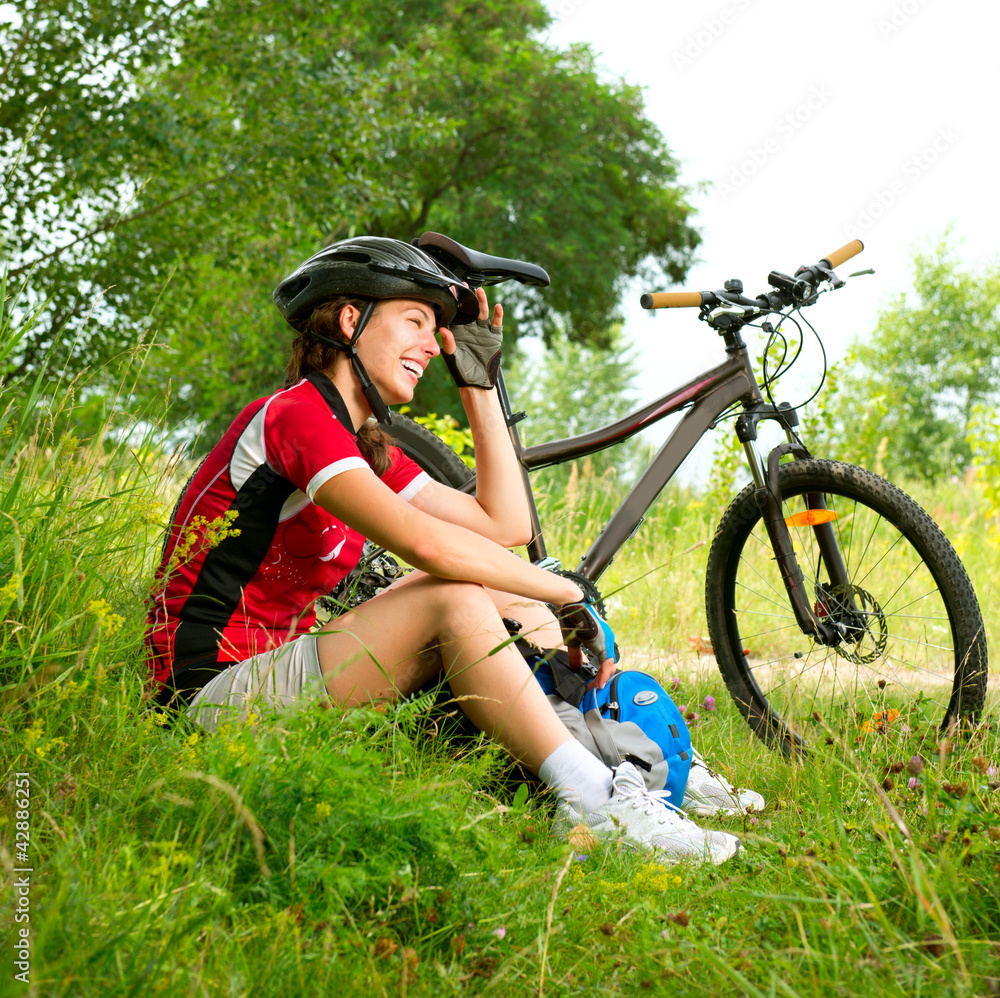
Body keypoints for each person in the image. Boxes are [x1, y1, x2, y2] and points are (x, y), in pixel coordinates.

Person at [146, 236, 761, 865]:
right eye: (414, 321)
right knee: (458, 596)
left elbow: (504, 523)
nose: (428, 346)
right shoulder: (294, 417)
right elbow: (427, 545)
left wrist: (481, 383)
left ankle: (641, 759)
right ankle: (595, 802)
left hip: (281, 674)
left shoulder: (362, 443)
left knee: (512, 585)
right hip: (208, 698)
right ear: (351, 320)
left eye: (435, 329)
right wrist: (570, 592)